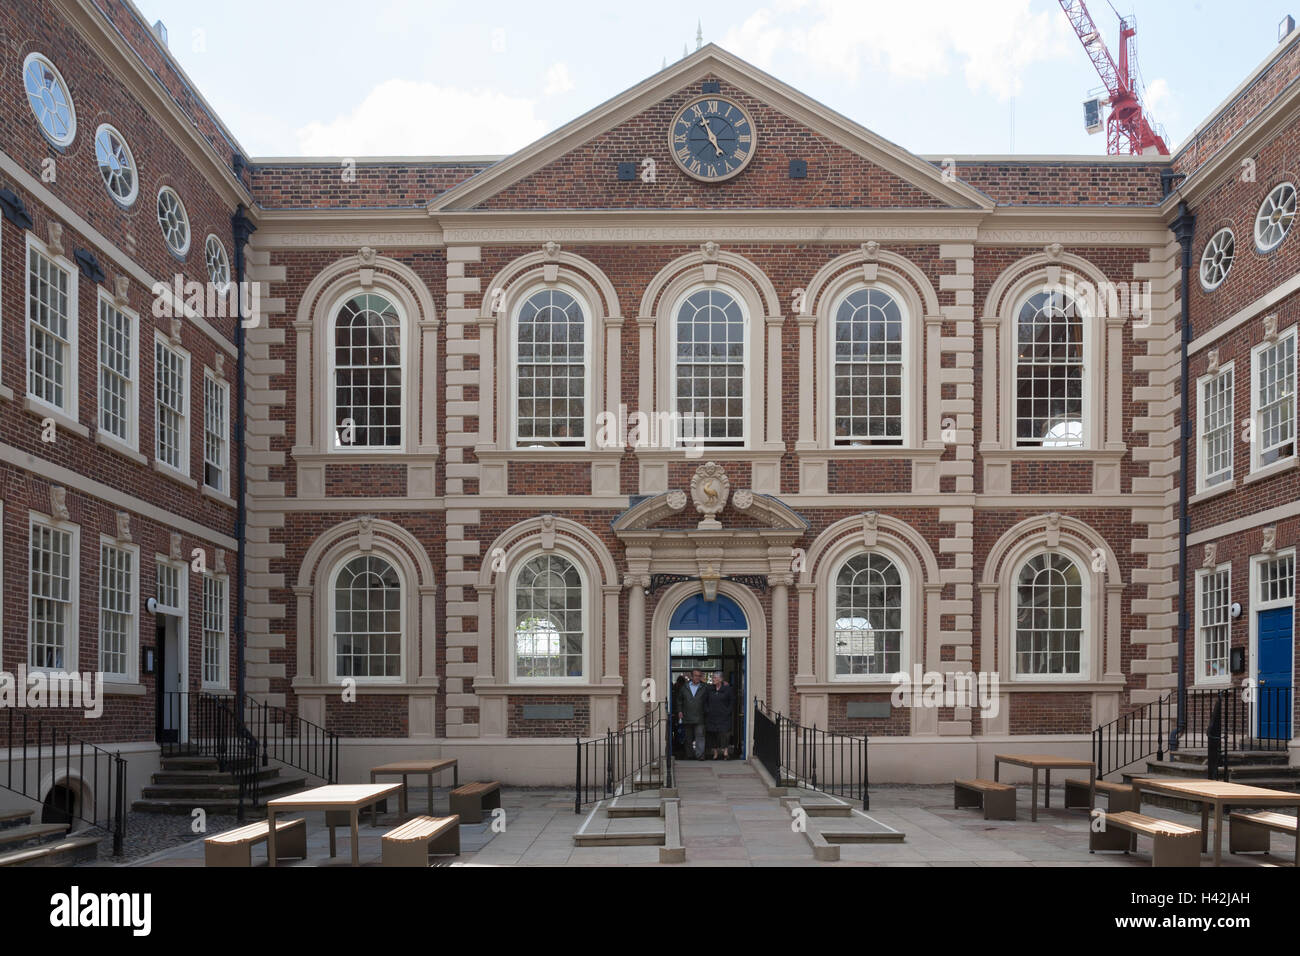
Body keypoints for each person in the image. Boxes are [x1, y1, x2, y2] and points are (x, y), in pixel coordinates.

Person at [676, 669, 709, 760]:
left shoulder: (705, 687)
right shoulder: (684, 687)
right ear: (691, 676)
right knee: (688, 738)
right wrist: (679, 711)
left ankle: (700, 755)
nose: (697, 677)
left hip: (700, 716)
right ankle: (689, 754)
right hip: (687, 716)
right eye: (695, 675)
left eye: (699, 676)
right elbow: (679, 701)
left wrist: (723, 684)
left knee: (700, 737)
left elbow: (711, 696)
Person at [704, 671, 736, 759]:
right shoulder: (709, 689)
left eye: (715, 678)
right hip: (712, 716)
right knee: (712, 735)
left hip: (724, 716)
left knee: (724, 734)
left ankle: (725, 752)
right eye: (713, 677)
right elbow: (705, 701)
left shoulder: (727, 689)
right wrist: (707, 710)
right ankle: (715, 753)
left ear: (721, 679)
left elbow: (732, 701)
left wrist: (728, 711)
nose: (713, 679)